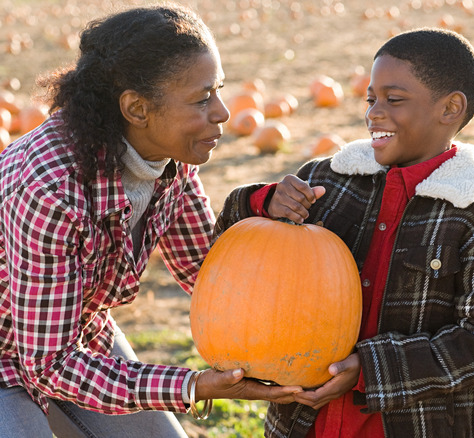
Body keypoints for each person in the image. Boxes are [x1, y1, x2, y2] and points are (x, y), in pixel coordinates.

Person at [0, 5, 302, 438]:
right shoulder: (50, 187)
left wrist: (261, 209)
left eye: (218, 90)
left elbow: (208, 273)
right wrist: (191, 385)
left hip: (73, 335)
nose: (222, 112)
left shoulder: (172, 161)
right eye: (202, 99)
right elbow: (50, 364)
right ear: (137, 108)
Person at [226, 27, 474, 437]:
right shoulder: (324, 181)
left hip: (408, 425)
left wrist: (370, 368)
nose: (373, 113)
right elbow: (235, 251)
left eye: (393, 100)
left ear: (450, 108)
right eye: (371, 99)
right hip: (303, 422)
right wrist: (263, 202)